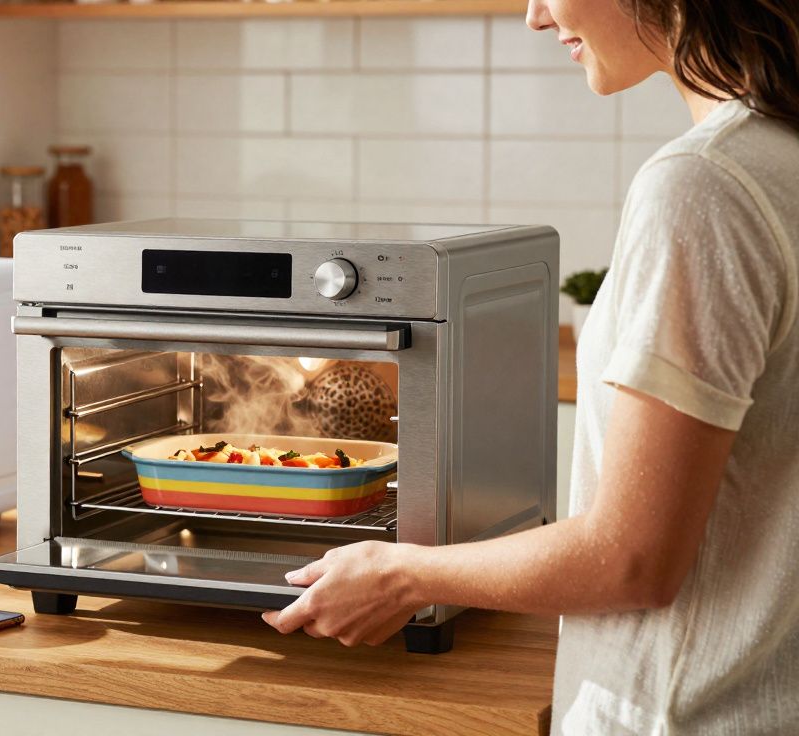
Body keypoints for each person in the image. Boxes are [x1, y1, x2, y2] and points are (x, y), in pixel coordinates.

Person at [261, 0, 799, 732]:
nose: (535, 16)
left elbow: (633, 559)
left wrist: (401, 573)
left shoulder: (704, 186)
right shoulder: (777, 156)